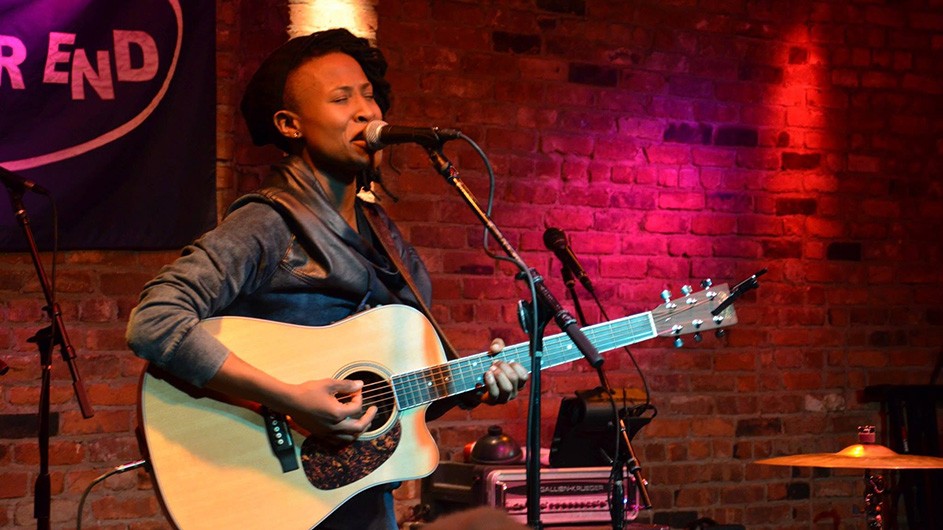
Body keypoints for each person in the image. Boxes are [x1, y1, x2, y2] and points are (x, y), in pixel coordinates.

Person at [126, 28, 528, 529]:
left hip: (355, 496)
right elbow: (155, 320)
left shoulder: (380, 232)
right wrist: (286, 397)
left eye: (368, 94)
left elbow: (385, 401)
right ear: (291, 125)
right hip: (274, 493)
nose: (365, 110)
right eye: (342, 98)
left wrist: (473, 386)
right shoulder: (268, 222)